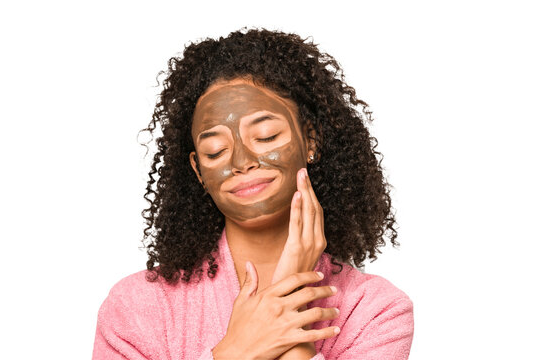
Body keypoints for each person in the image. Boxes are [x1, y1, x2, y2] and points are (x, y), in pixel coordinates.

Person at [92, 28, 414, 360]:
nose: (242, 162)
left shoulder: (377, 312)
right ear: (199, 171)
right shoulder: (134, 308)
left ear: (311, 141)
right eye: (216, 151)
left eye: (266, 135)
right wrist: (236, 351)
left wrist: (292, 295)